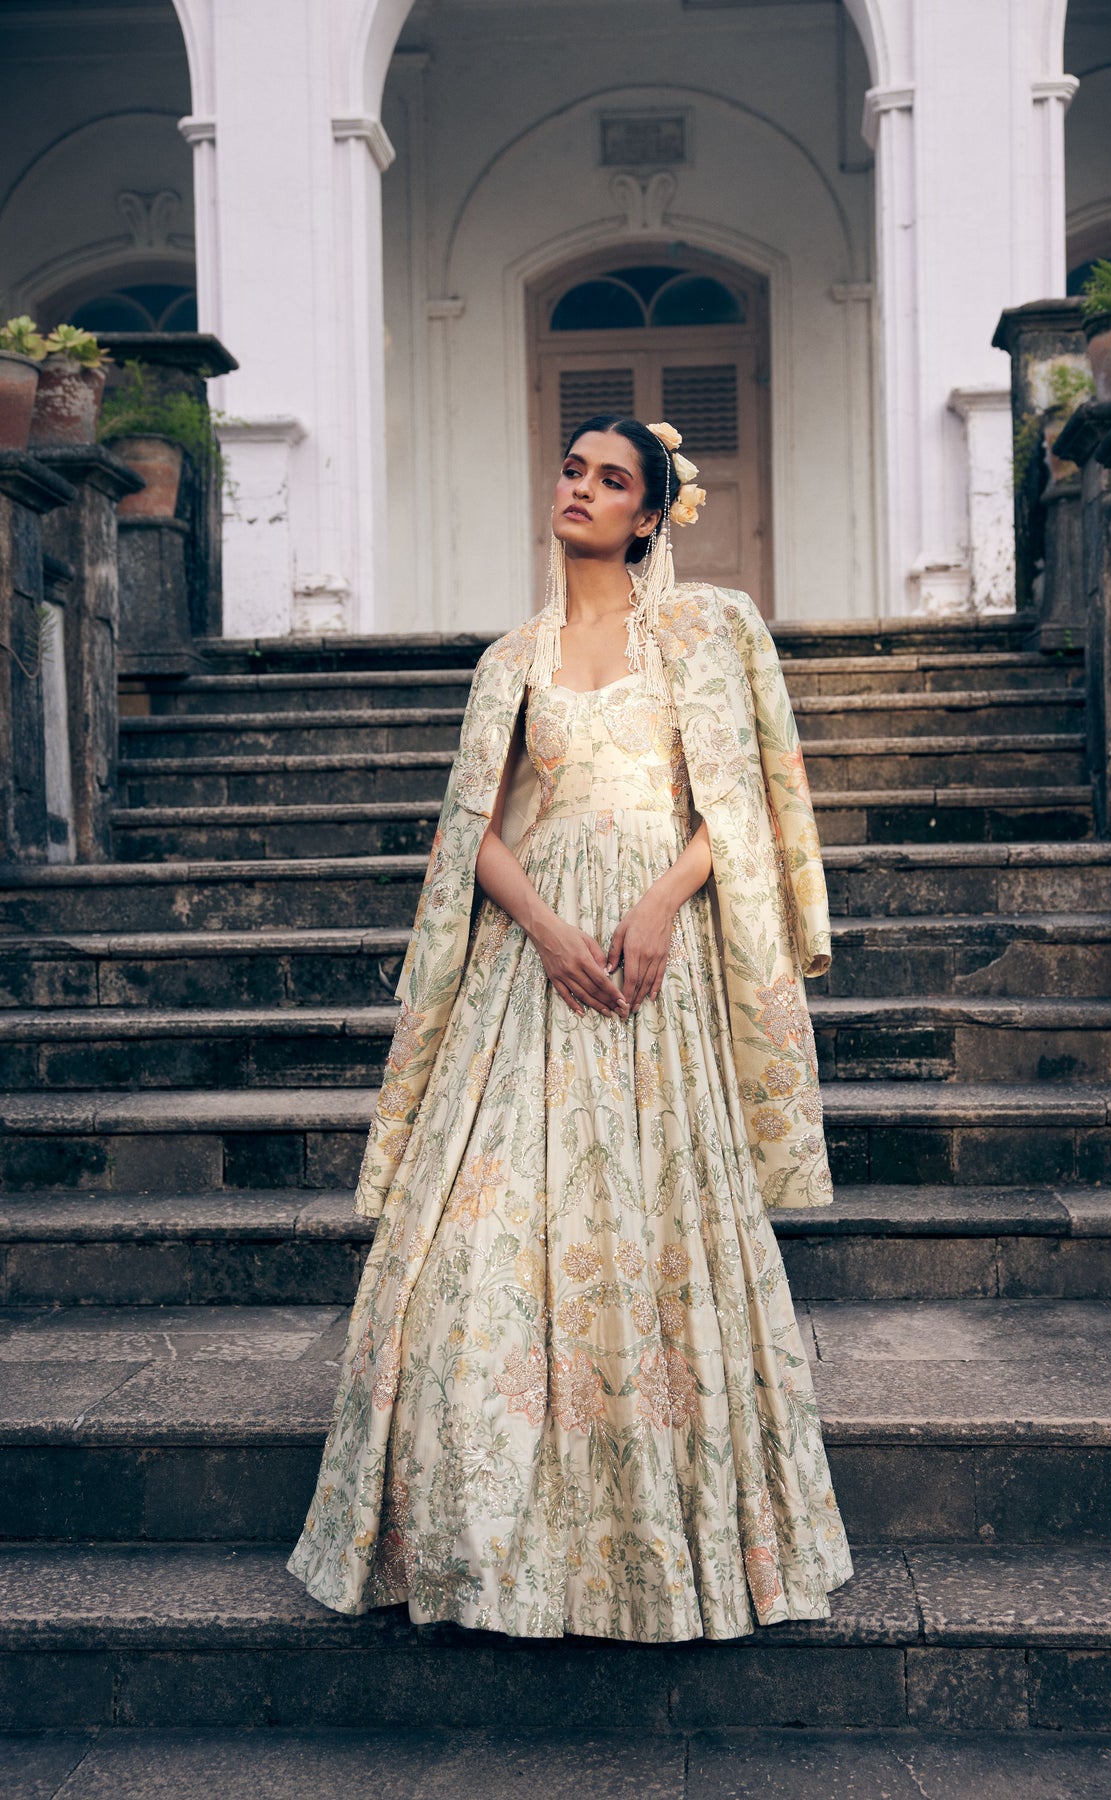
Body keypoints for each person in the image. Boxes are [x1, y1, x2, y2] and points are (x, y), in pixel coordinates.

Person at [288, 415, 853, 1640]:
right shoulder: (512, 659)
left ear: (652, 513)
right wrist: (546, 932)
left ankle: (661, 1549)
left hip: (662, 972)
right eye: (572, 470)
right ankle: (485, 1548)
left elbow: (744, 798)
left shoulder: (712, 631)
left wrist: (660, 904)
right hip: (534, 970)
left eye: (612, 481)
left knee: (655, 1243)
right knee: (460, 1255)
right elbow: (476, 835)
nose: (582, 491)